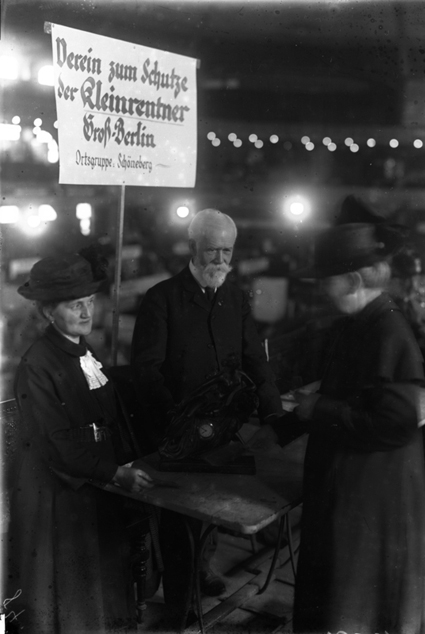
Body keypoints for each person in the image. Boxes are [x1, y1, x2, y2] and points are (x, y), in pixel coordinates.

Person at [251, 220, 425, 633]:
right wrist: (282, 430)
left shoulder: (389, 331)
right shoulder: (360, 323)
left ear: (351, 280)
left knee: (353, 605)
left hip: (369, 495)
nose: (320, 289)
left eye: (326, 281)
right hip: (349, 487)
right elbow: (336, 391)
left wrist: (319, 409)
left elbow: (396, 423)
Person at [131, 208, 283, 629]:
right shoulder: (162, 299)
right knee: (180, 520)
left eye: (227, 251)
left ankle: (202, 569)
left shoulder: (233, 297)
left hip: (222, 429)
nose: (220, 259)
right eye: (212, 250)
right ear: (191, 248)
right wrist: (177, 422)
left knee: (212, 510)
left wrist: (272, 407)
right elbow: (146, 371)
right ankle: (182, 604)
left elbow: (253, 356)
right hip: (176, 431)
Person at [3, 250, 154, 634]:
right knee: (70, 594)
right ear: (48, 311)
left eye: (89, 302)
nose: (87, 313)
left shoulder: (84, 351)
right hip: (58, 495)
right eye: (75, 306)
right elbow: (56, 444)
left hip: (90, 481)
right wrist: (115, 473)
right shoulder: (38, 364)